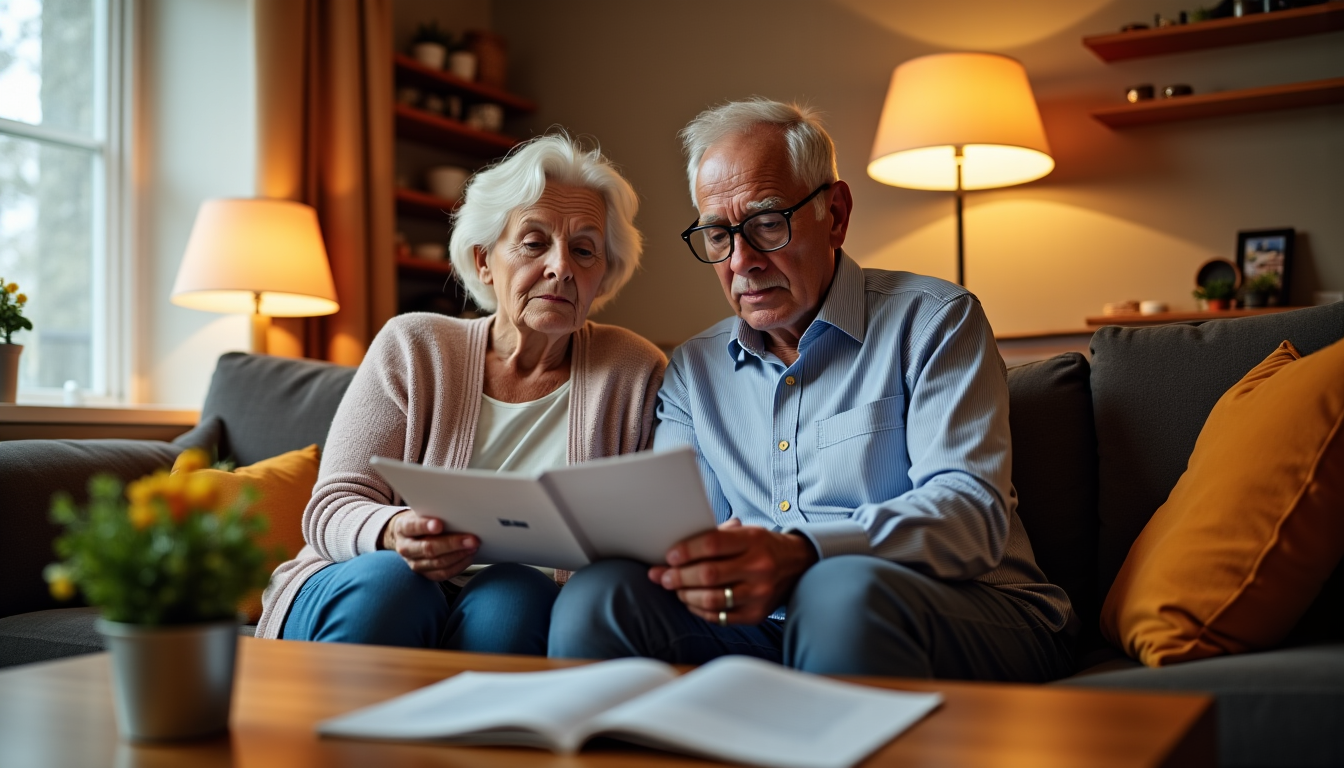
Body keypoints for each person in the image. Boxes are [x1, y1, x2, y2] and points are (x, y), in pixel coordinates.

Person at [548, 99, 1075, 681]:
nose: (741, 261)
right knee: (600, 596)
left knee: (837, 589)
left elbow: (968, 517)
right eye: (718, 235)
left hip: (969, 608)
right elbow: (681, 532)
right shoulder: (694, 371)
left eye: (768, 224)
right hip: (768, 624)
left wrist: (800, 552)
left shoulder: (935, 321)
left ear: (837, 214)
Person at [254, 134, 666, 653]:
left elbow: (644, 531)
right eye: (534, 242)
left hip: (518, 599)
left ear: (602, 278)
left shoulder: (633, 370)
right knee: (395, 583)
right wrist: (396, 529)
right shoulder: (415, 346)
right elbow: (332, 508)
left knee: (516, 596)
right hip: (373, 577)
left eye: (584, 250)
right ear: (485, 260)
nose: (561, 266)